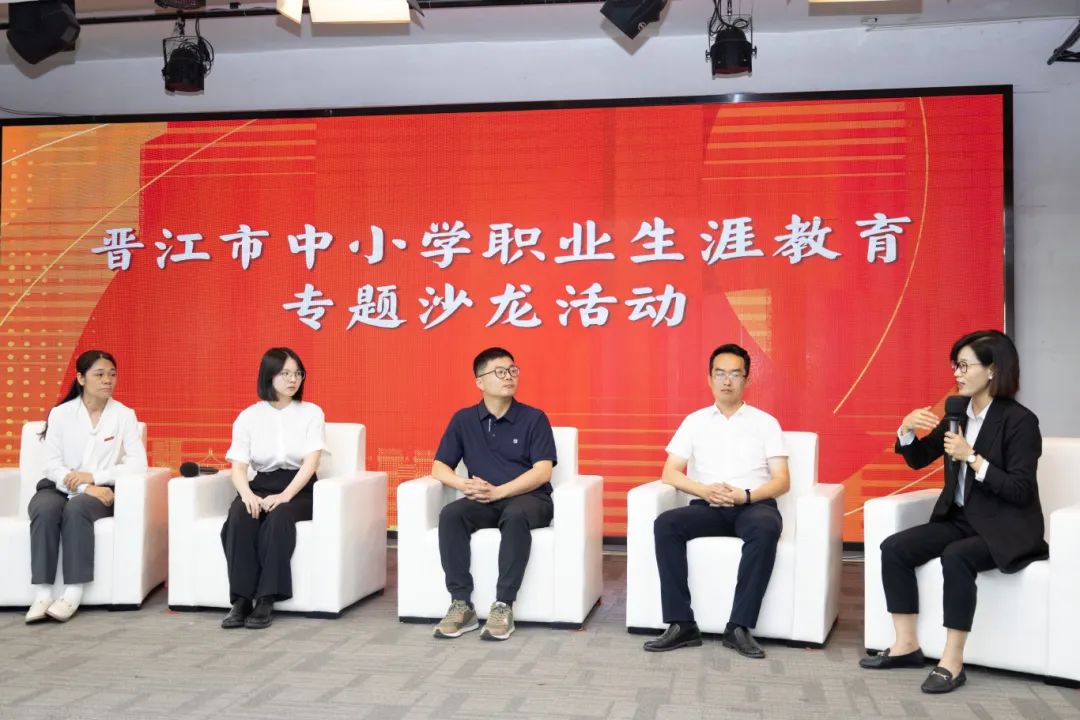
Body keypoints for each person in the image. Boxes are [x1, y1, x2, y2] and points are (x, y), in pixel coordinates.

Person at [860, 330, 1045, 693]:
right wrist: (906, 430)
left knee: (957, 556)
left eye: (964, 365)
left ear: (992, 370)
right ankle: (906, 645)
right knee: (894, 549)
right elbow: (917, 459)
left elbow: (1020, 489)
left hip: (1006, 526)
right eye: (954, 365)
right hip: (961, 519)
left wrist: (972, 458)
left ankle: (952, 661)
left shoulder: (1021, 421)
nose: (956, 374)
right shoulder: (956, 414)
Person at [644, 343, 789, 659]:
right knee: (666, 524)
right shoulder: (694, 421)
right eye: (720, 373)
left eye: (735, 374)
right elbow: (670, 472)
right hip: (707, 506)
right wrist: (703, 490)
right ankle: (681, 624)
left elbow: (782, 480)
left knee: (765, 527)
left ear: (746, 379)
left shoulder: (766, 423)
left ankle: (739, 627)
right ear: (709, 378)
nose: (727, 381)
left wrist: (745, 495)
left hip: (753, 506)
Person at [430, 347, 558, 641]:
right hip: (486, 500)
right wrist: (464, 485)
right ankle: (461, 604)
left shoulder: (534, 418)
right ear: (480, 381)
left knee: (514, 514)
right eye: (500, 372)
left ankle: (503, 604)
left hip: (530, 499)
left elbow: (542, 472)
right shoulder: (463, 420)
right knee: (451, 514)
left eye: (513, 370)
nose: (509, 377)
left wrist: (500, 491)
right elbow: (439, 467)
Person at [26, 350, 147, 624]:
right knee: (44, 509)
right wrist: (83, 486)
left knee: (77, 509)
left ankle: (73, 592)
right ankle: (42, 594)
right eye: (99, 375)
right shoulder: (61, 414)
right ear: (81, 378)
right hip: (58, 486)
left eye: (112, 375)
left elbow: (138, 464)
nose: (108, 381)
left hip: (100, 489)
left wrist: (94, 477)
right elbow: (52, 465)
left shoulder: (124, 415)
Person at [219, 347, 326, 630]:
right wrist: (247, 495)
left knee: (279, 517)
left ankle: (266, 599)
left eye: (298, 373)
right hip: (260, 484)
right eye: (285, 373)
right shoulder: (248, 417)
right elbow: (238, 467)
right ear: (269, 376)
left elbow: (312, 462)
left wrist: (284, 496)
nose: (293, 379)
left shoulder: (311, 413)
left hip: (299, 488)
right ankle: (241, 600)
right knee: (240, 517)